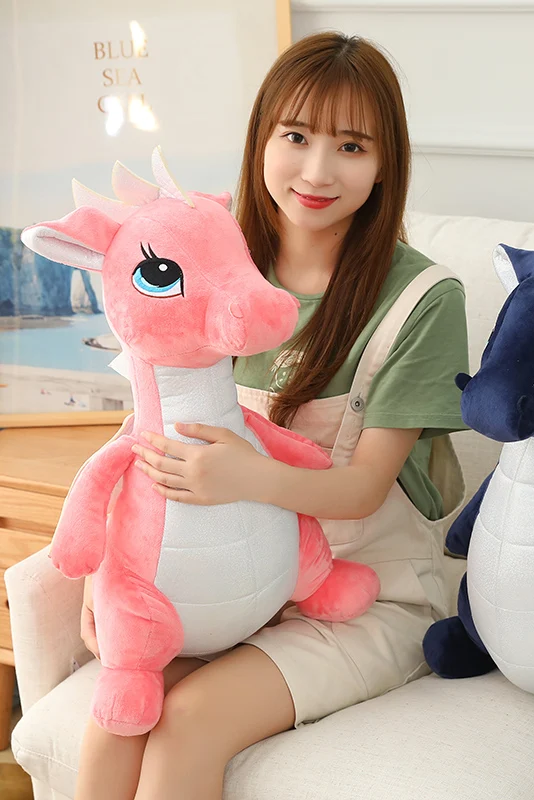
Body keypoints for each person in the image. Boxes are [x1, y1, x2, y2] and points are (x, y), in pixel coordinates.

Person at [74, 31, 469, 800]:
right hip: (220, 582)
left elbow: (361, 490)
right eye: (296, 136)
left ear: (385, 163)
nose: (317, 171)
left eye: (351, 146)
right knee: (117, 716)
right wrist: (106, 576)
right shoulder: (208, 255)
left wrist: (244, 477)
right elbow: (144, 433)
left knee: (187, 722)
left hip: (363, 594)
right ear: (262, 139)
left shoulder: (424, 300)